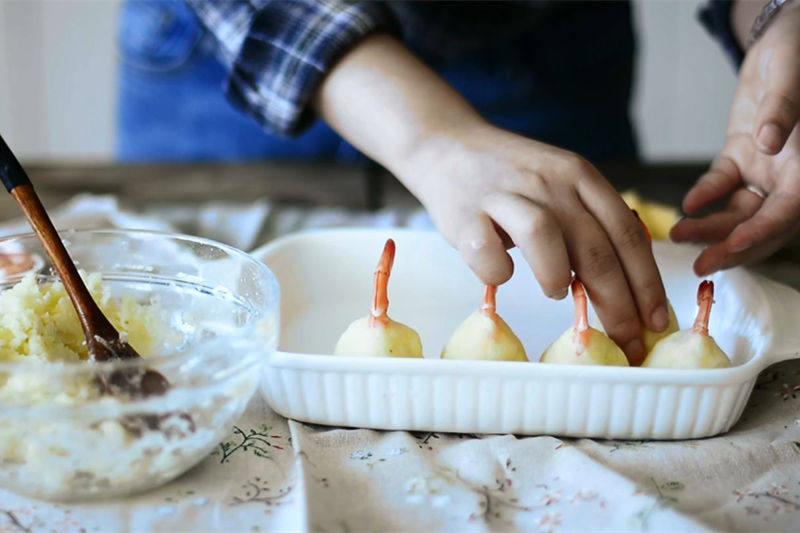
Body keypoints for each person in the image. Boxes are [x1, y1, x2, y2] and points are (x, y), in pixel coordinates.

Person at [117, 0, 800, 364]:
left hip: (538, 50)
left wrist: (780, 17)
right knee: (184, 328)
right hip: (233, 59)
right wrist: (429, 135)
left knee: (592, 262)